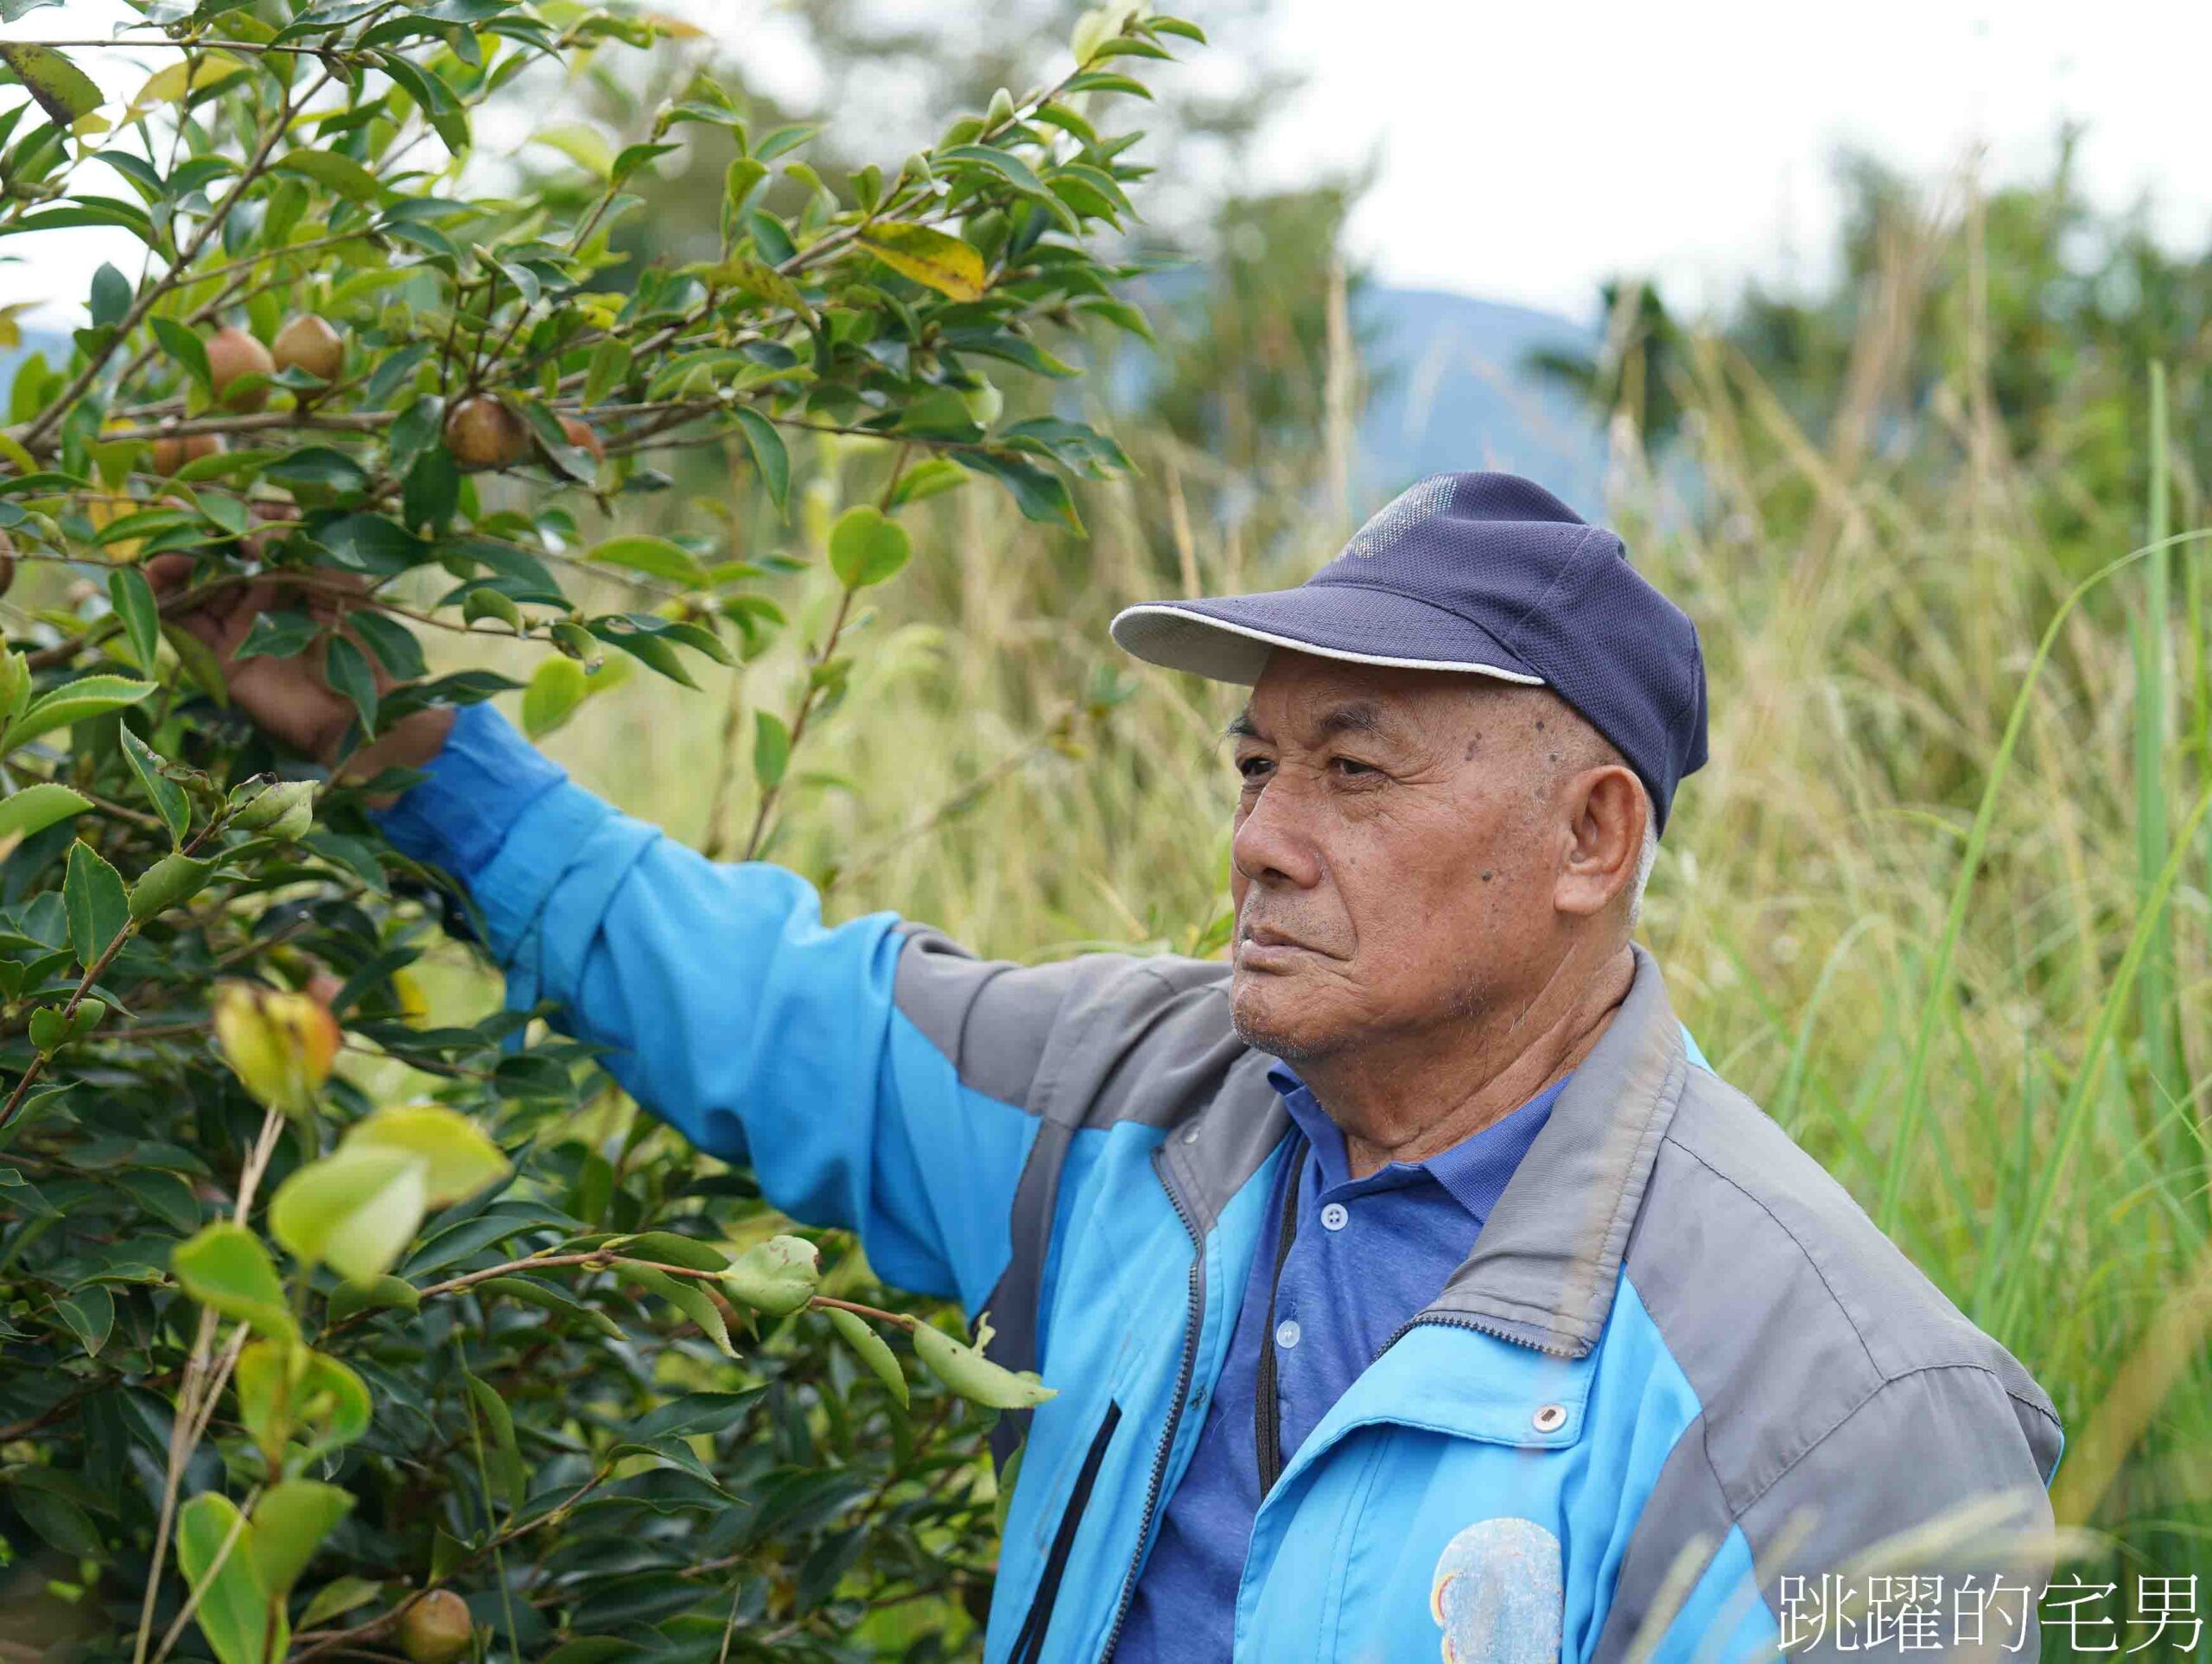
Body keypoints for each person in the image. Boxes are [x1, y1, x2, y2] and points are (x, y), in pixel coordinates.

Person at [164, 472, 2061, 1661]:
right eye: (1252, 766)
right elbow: (762, 1005)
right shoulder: (1139, 1104)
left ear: (1587, 841)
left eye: (1353, 768)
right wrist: (405, 741)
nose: (1257, 838)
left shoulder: (1828, 1402)